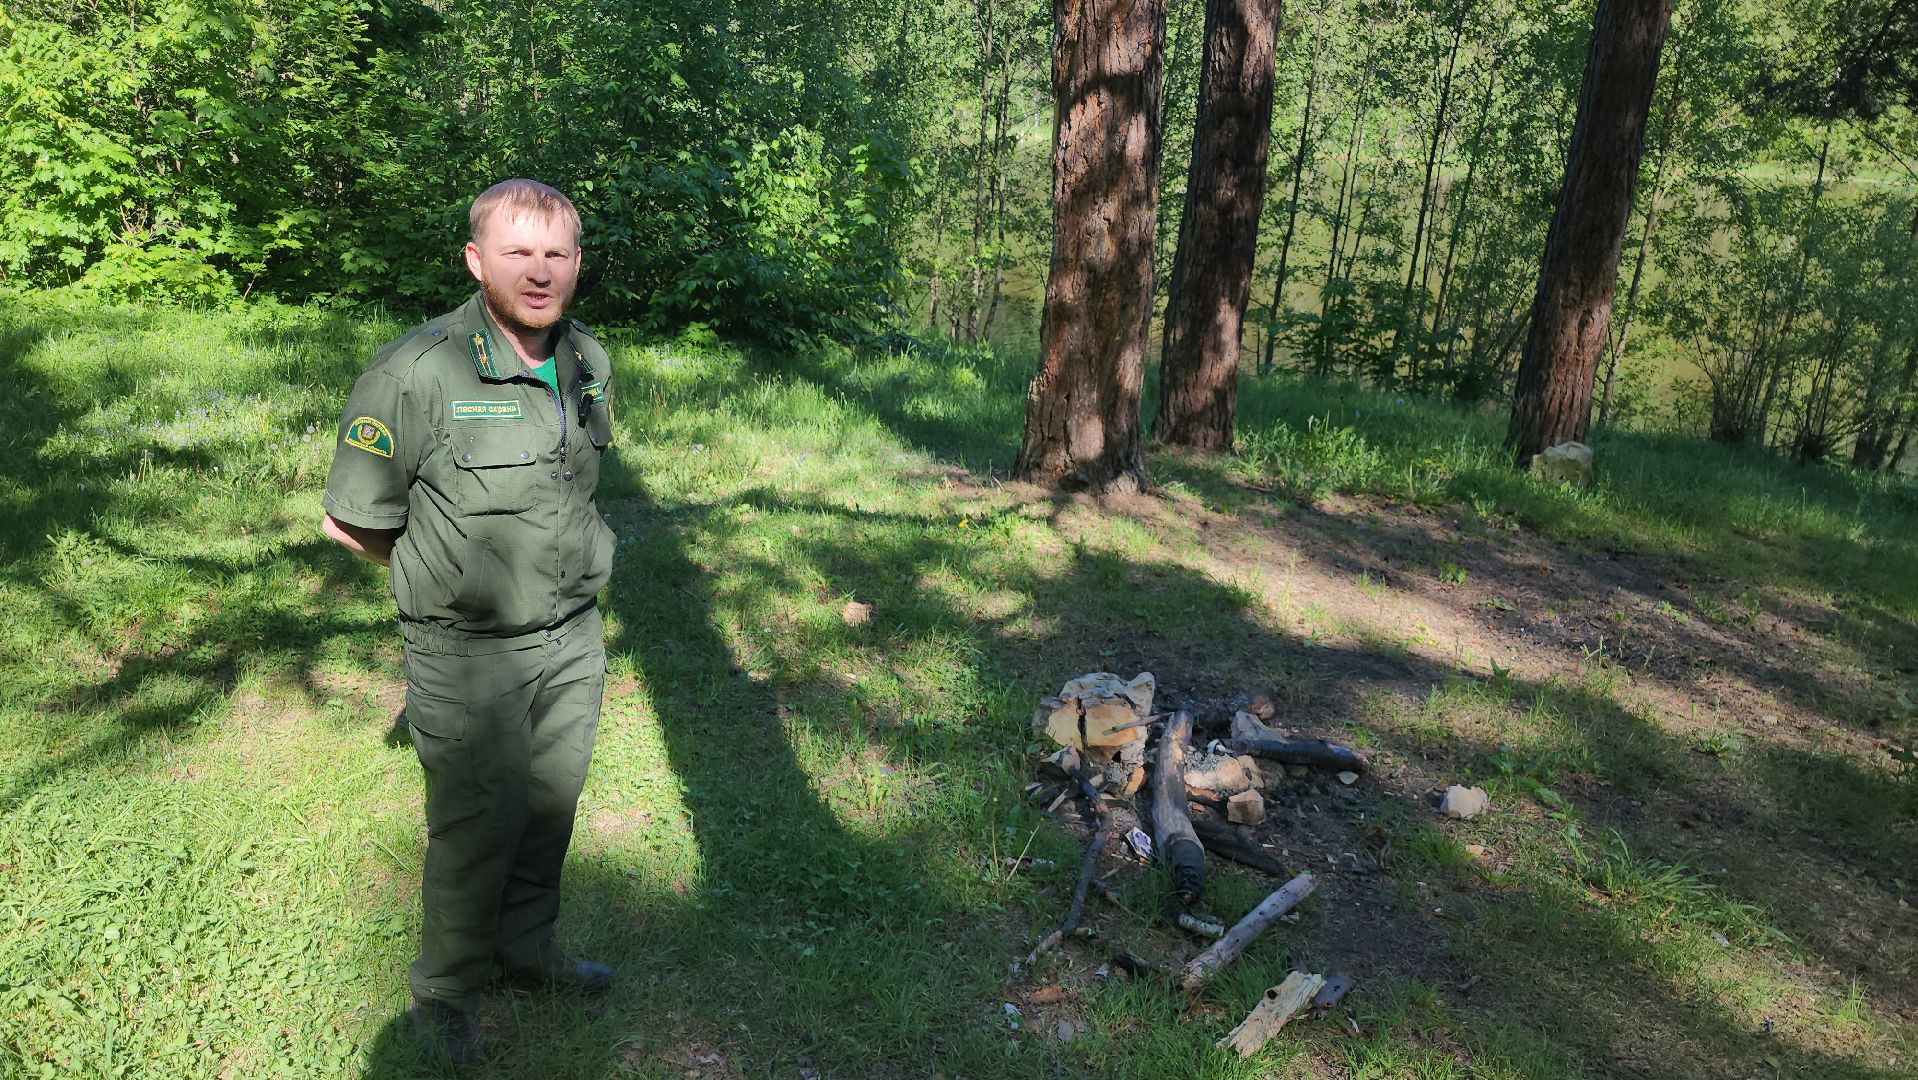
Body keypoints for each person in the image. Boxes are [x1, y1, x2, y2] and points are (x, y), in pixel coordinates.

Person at [320, 179, 617, 1066]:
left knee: (548, 808)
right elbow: (354, 521)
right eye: (517, 252)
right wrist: (443, 580)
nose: (538, 272)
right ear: (475, 260)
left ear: (576, 263)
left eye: (556, 253)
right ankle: (445, 992)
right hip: (468, 652)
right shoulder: (415, 373)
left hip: (572, 638)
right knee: (475, 823)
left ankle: (528, 954)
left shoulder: (588, 361)